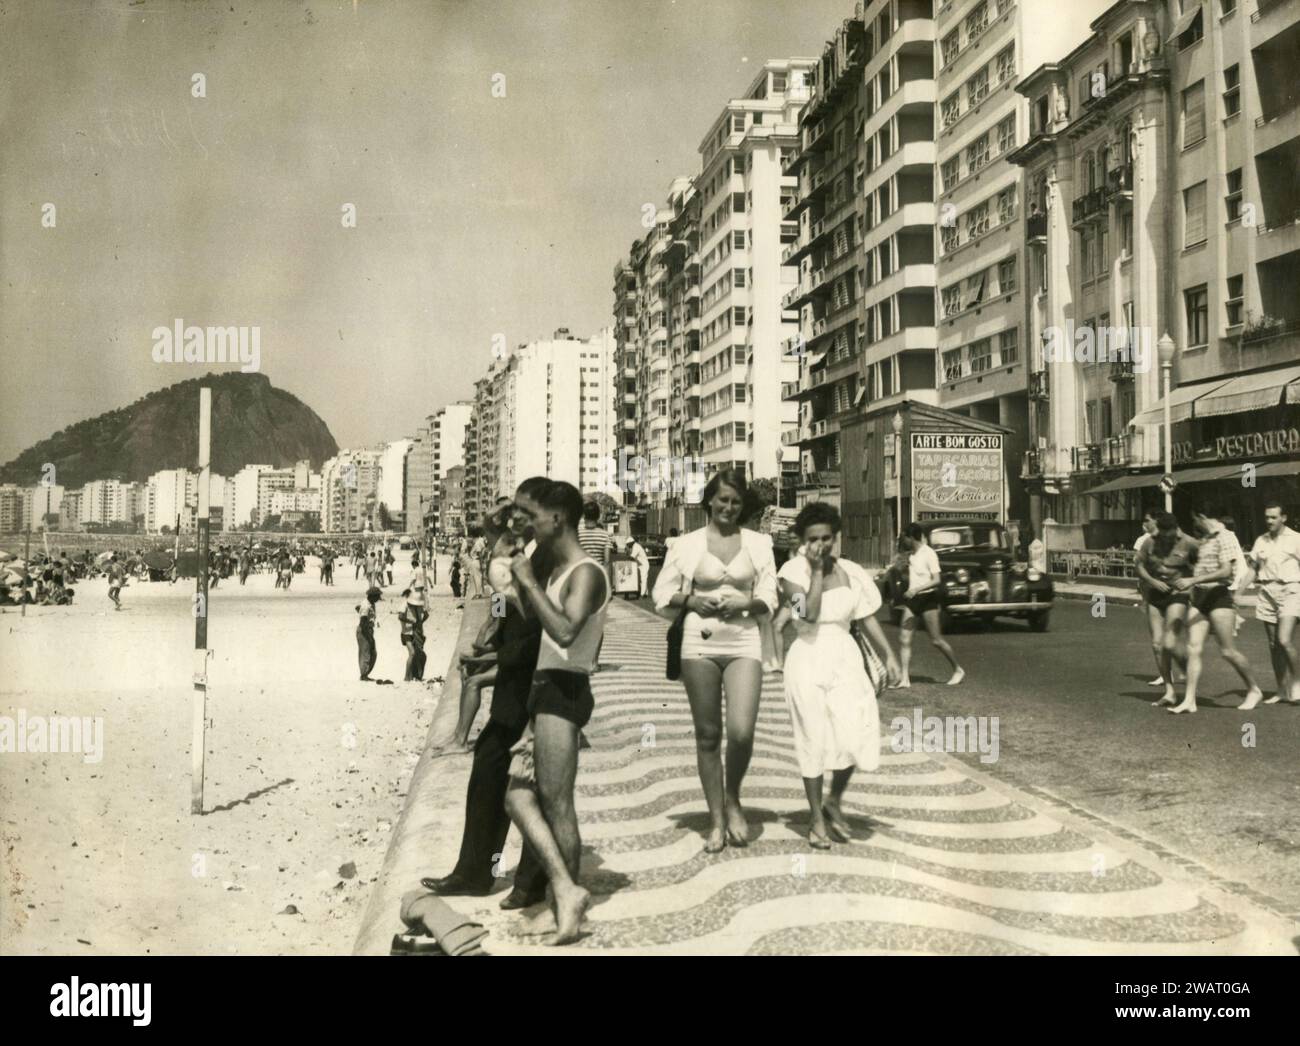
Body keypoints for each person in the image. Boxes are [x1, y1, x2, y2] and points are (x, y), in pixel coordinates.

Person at [423, 477, 551, 912]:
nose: (512, 521)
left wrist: (495, 658)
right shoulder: (513, 554)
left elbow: (539, 627)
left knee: (532, 788)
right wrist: (487, 643)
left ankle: (516, 880)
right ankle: (478, 872)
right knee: (493, 772)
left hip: (534, 685)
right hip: (515, 675)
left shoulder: (543, 562)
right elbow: (502, 608)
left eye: (520, 513)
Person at [503, 480, 610, 944]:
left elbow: (566, 633)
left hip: (564, 689)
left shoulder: (586, 572)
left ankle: (567, 899)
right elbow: (535, 621)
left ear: (558, 519)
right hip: (547, 689)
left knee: (556, 804)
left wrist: (527, 580)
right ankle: (564, 889)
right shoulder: (561, 570)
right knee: (520, 796)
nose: (527, 522)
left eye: (533, 514)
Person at [652, 468, 777, 853]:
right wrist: (691, 600)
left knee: (741, 731)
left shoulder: (759, 543)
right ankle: (717, 819)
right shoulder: (687, 544)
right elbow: (660, 592)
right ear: (709, 500)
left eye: (736, 502)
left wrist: (748, 601)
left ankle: (733, 795)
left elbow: (771, 594)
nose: (728, 507)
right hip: (699, 643)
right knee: (708, 735)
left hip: (744, 640)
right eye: (722, 500)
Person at [777, 502, 900, 848]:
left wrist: (889, 655)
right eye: (813, 539)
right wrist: (815, 572)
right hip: (807, 659)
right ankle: (817, 819)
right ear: (802, 540)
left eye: (827, 538)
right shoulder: (789, 575)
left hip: (845, 657)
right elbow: (809, 615)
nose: (820, 545)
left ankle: (834, 799)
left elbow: (865, 616)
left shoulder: (851, 571)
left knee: (855, 732)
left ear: (836, 537)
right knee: (812, 738)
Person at [1171, 504, 1262, 712]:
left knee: (1228, 651)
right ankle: (1189, 700)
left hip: (1220, 596)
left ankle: (1254, 689)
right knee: (1193, 648)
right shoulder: (1206, 539)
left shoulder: (1225, 536)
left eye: (1195, 520)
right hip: (1200, 597)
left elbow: (1225, 571)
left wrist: (1193, 579)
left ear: (1202, 516)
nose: (1194, 524)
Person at [1135, 512, 1198, 710]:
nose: (1165, 540)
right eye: (1161, 535)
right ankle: (1169, 692)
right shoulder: (1150, 542)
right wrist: (1152, 581)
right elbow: (1138, 565)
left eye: (1168, 536)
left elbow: (1199, 569)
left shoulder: (1189, 543)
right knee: (1157, 644)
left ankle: (1188, 669)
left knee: (1169, 642)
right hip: (1155, 594)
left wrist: (1191, 587)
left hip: (1178, 594)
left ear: (1176, 530)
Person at [1239, 501, 1300, 705]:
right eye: (1267, 517)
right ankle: (1281, 689)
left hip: (1291, 589)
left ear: (1284, 518)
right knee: (1274, 644)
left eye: (1274, 517)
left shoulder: (1295, 539)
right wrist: (1238, 592)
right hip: (1267, 592)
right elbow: (1253, 569)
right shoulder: (1261, 541)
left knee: (1284, 640)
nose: (1269, 521)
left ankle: (1297, 684)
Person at [897, 523, 964, 687]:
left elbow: (936, 580)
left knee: (936, 640)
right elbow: (910, 577)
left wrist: (916, 589)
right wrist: (903, 570)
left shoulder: (929, 554)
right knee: (904, 638)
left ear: (911, 537)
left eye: (903, 537)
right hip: (913, 600)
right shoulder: (911, 555)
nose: (902, 541)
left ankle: (958, 669)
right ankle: (904, 679)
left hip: (927, 599)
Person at [1133, 511, 1177, 687]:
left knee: (1172, 636)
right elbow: (1138, 565)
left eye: (1148, 520)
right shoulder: (1144, 541)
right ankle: (1167, 675)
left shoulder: (1176, 539)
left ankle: (1179, 668)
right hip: (1152, 592)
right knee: (1157, 640)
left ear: (1157, 521)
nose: (1145, 523)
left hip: (1175, 593)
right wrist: (1149, 583)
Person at [398, 589, 427, 682]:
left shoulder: (418, 606)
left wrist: (420, 622)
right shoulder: (404, 605)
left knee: (419, 654)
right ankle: (407, 677)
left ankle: (416, 675)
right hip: (407, 632)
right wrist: (411, 622)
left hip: (417, 632)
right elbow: (400, 617)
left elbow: (426, 614)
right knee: (412, 653)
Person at [356, 586, 382, 681]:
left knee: (372, 653)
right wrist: (368, 635)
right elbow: (363, 622)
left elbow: (357, 608)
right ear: (372, 596)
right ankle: (364, 675)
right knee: (365, 653)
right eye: (377, 597)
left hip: (368, 630)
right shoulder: (366, 605)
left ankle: (365, 673)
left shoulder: (369, 603)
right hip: (364, 631)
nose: (378, 599)